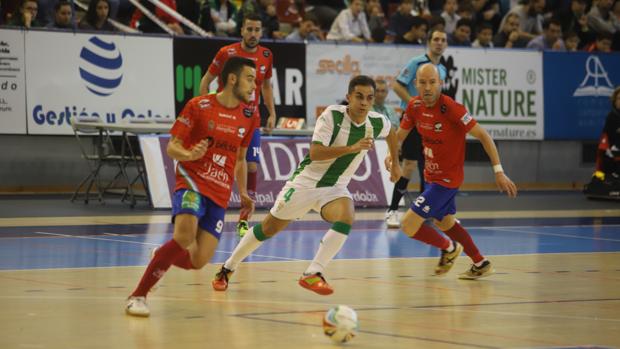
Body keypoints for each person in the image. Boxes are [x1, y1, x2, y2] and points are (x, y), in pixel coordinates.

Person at [211, 75, 402, 295]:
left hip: (335, 187)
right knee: (268, 228)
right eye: (359, 97)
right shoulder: (332, 116)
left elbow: (392, 133)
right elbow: (316, 152)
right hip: (305, 184)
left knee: (347, 215)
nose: (364, 103)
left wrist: (394, 161)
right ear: (348, 97)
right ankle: (227, 268)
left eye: (369, 98)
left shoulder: (376, 122)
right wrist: (352, 148)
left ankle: (313, 272)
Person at [125, 57, 259, 317]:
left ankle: (163, 254)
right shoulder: (199, 106)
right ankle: (138, 295)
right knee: (185, 237)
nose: (254, 86)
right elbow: (172, 146)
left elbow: (240, 158)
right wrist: (189, 155)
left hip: (220, 191)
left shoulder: (249, 115)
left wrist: (243, 192)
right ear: (232, 79)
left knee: (199, 261)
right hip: (192, 180)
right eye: (250, 79)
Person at [392, 63, 518, 279]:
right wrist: (391, 157)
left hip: (447, 179)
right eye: (423, 83)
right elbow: (399, 136)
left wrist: (498, 170)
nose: (428, 88)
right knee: (446, 222)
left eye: (433, 82)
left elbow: (484, 136)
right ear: (415, 84)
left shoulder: (451, 108)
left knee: (408, 224)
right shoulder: (414, 106)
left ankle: (448, 248)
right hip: (432, 177)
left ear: (441, 83)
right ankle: (481, 263)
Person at [199, 13, 277, 238]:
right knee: (219, 165)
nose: (253, 34)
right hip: (225, 119)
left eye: (257, 30)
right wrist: (206, 109)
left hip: (251, 119)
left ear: (261, 32)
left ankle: (244, 219)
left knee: (251, 166)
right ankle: (207, 213)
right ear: (241, 30)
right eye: (249, 29)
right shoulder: (227, 53)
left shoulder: (266, 55)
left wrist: (272, 111)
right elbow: (206, 80)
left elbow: (267, 87)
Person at [386, 29, 447, 229]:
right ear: (429, 43)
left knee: (429, 168)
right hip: (413, 121)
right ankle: (392, 210)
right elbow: (396, 86)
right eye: (436, 39)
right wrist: (414, 103)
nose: (439, 43)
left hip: (432, 123)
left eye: (443, 40)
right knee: (409, 166)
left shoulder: (443, 70)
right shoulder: (416, 63)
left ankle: (425, 212)